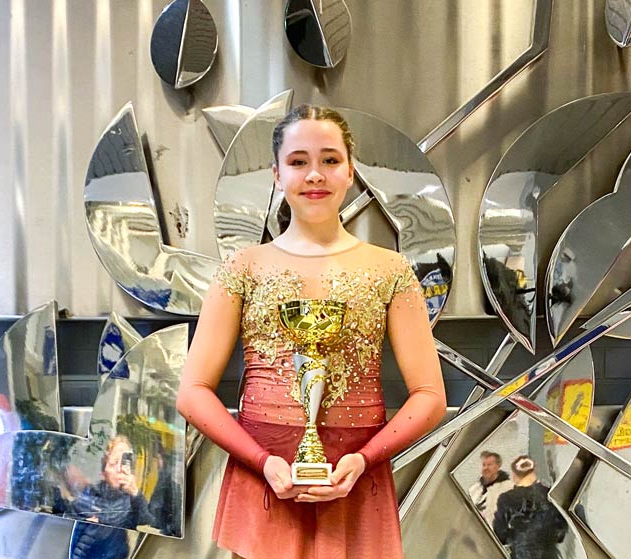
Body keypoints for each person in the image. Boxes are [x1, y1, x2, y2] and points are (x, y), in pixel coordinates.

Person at [176, 104, 446, 559]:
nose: (315, 174)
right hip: (264, 477)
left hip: (356, 475)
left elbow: (430, 396)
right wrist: (262, 461)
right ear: (276, 174)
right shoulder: (242, 268)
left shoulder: (391, 270)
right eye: (298, 161)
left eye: (330, 160)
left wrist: (364, 459)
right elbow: (192, 393)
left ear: (351, 171)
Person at [492, 456, 567, 559]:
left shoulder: (506, 499)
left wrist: (515, 536)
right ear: (535, 471)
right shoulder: (550, 495)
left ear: (514, 475)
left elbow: (499, 535)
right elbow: (561, 529)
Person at [468, 450, 513, 527]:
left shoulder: (508, 488)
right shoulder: (474, 489)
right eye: (484, 465)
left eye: (489, 465)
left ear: (498, 466)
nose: (485, 468)